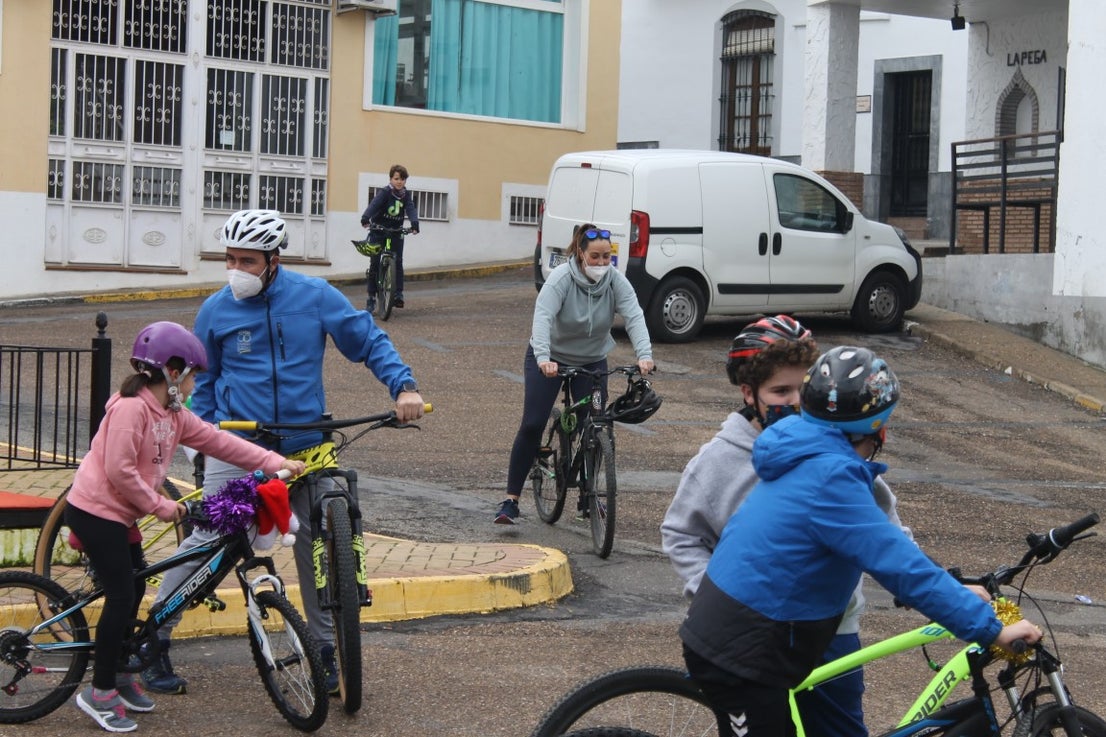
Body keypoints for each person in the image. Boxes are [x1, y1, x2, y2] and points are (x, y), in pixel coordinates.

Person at [678, 346, 1041, 736]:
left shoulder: (806, 450)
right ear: (877, 429)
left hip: (755, 637)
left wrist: (952, 589)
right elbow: (898, 565)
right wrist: (992, 629)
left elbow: (888, 547)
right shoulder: (830, 478)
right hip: (739, 653)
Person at [143, 209, 425, 697]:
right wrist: (200, 444)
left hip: (307, 444)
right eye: (230, 259)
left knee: (322, 544)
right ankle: (154, 638)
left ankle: (324, 649)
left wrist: (404, 387)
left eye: (247, 261)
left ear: (274, 260)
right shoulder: (216, 310)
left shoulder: (314, 297)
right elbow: (202, 382)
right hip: (239, 445)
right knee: (209, 540)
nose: (236, 270)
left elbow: (367, 340)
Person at [66, 321, 304, 733]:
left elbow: (218, 441)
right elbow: (119, 470)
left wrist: (274, 462)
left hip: (120, 515)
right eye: (194, 376)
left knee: (134, 589)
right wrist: (160, 506)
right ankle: (99, 692)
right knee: (122, 597)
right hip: (93, 511)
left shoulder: (173, 414)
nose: (196, 384)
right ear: (173, 373)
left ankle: (119, 675)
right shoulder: (131, 408)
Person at [496, 223, 654, 524]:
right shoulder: (561, 279)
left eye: (607, 257)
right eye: (595, 256)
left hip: (592, 361)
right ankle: (510, 500)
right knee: (532, 424)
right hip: (551, 358)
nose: (602, 263)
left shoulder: (615, 281)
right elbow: (543, 317)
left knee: (595, 425)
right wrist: (543, 358)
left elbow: (634, 315)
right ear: (581, 254)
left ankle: (588, 496)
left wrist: (644, 355)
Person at [360, 164, 419, 311]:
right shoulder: (385, 192)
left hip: (396, 231)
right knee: (374, 263)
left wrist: (414, 223)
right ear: (391, 179)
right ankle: (371, 297)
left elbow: (410, 209)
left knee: (398, 262)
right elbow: (374, 205)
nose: (399, 182)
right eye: (396, 179)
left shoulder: (406, 195)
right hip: (379, 230)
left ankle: (398, 294)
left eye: (402, 179)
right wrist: (366, 217)